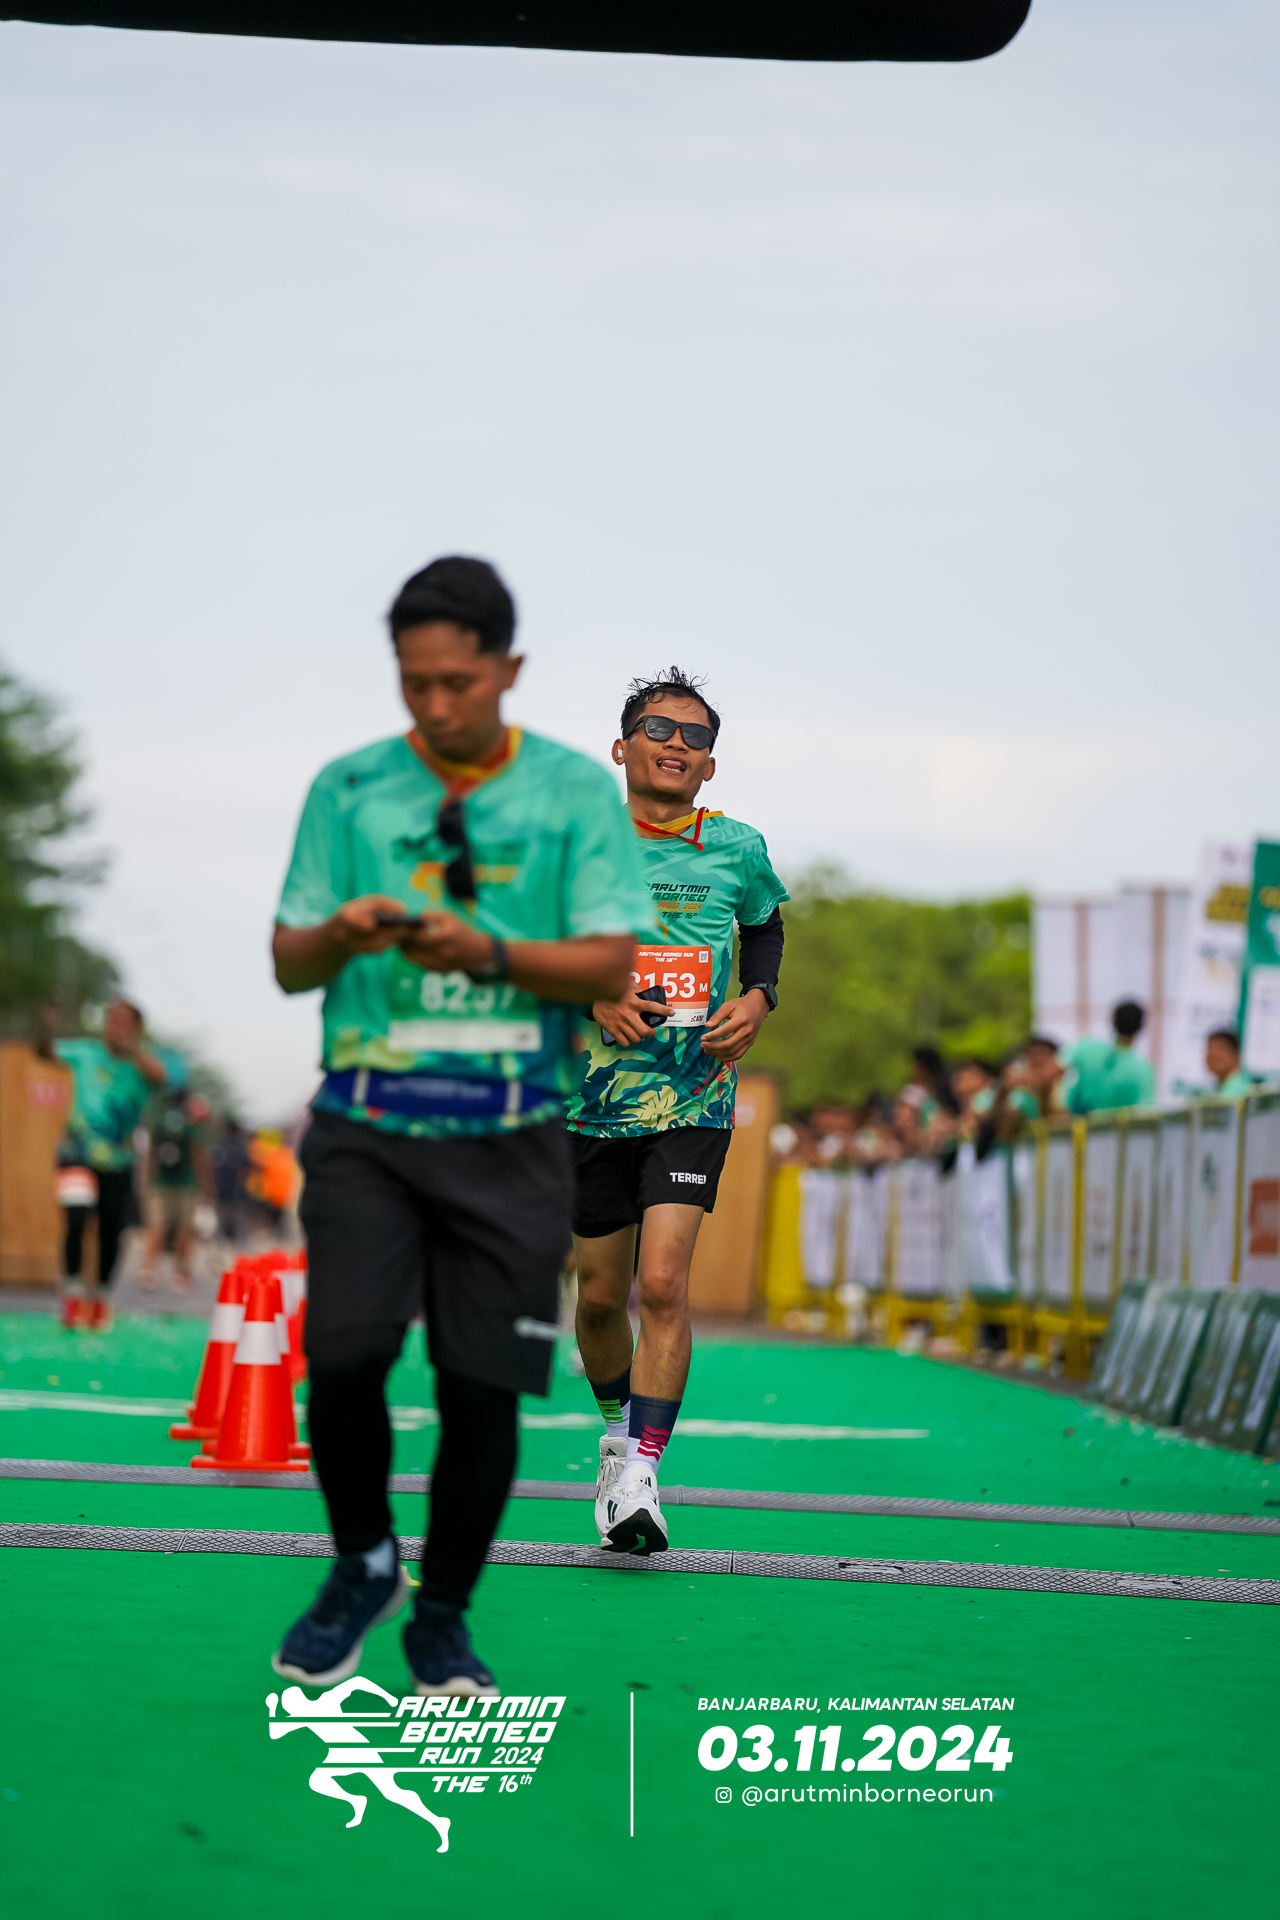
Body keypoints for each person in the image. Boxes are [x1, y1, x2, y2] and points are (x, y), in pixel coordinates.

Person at [269, 555, 652, 1697]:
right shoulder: (348, 789)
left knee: (479, 1386)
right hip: (367, 1121)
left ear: (508, 668)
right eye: (413, 682)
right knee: (343, 1353)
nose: (434, 705)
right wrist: (343, 932)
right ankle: (362, 1561)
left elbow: (610, 962)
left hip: (512, 1129)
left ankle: (440, 1618)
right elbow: (289, 961)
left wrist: (487, 951)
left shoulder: (573, 792)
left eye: (457, 682)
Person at [567, 667, 787, 1554]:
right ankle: (616, 1437)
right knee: (598, 1297)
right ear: (623, 748)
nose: (676, 746)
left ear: (709, 766)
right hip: (588, 1102)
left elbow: (765, 925)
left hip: (695, 1095)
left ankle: (644, 1473)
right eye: (659, 730)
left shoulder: (737, 846)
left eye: (695, 738)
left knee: (662, 1282)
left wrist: (758, 999)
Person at [56, 999, 168, 1327]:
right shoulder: (84, 1052)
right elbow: (46, 1051)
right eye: (110, 1020)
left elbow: (160, 1079)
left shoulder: (143, 1064)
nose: (114, 1027)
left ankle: (100, 1296)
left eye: (122, 1021)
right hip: (76, 1153)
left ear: (136, 1029)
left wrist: (132, 1050)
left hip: (119, 1161)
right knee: (76, 1218)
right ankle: (73, 1293)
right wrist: (45, 1026)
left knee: (111, 1230)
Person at [140, 1087, 213, 1290]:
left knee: (156, 1228)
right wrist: (206, 1185)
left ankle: (148, 1270)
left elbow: (150, 1154)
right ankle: (181, 1272)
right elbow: (199, 1156)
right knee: (185, 1229)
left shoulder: (158, 1122)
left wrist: (147, 1181)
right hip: (186, 1184)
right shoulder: (192, 1126)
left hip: (160, 1184)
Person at [1064, 1001, 1156, 1114]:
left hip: (1084, 1123)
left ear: (1113, 1021)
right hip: (1123, 1125)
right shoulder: (1143, 1069)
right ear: (1141, 1027)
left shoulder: (1087, 1049)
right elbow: (1145, 1112)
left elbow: (1056, 1070)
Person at [210, 1116, 251, 1244]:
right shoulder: (239, 1147)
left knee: (222, 1227)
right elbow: (246, 1170)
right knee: (237, 1228)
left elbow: (212, 1169)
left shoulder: (220, 1146)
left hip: (223, 1190)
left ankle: (219, 1246)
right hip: (235, 1191)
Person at [1203, 1028, 1256, 1098]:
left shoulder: (1237, 1090)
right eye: (1209, 1048)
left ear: (1236, 1054)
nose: (1213, 1053)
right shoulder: (1223, 1087)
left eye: (1220, 1048)